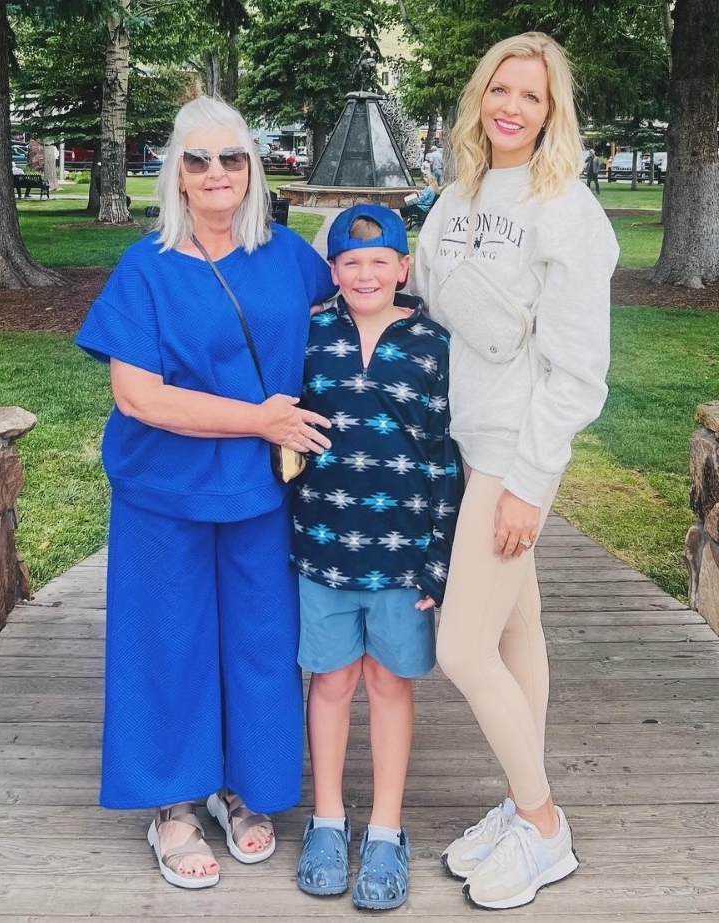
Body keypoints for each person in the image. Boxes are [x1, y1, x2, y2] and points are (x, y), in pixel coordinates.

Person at [73, 95, 336, 891]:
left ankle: (243, 789)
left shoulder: (290, 257)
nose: (216, 172)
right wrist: (259, 419)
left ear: (252, 169)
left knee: (260, 644)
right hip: (167, 490)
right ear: (176, 176)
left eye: (231, 157)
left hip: (262, 494)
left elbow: (359, 315)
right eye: (198, 159)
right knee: (169, 645)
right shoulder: (145, 268)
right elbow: (140, 398)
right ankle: (174, 805)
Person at [412, 32, 618, 910]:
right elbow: (425, 287)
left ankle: (542, 825)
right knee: (515, 629)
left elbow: (577, 373)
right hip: (469, 440)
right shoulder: (457, 192)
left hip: (513, 453)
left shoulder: (568, 210)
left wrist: (531, 483)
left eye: (531, 97)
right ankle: (517, 800)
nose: (511, 107)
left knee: (460, 645)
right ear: (480, 97)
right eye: (501, 89)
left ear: (552, 111)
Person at [292, 204, 462, 911]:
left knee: (390, 685)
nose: (365, 274)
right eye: (349, 263)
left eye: (378, 261)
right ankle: (328, 820)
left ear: (402, 267)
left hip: (403, 554)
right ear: (333, 272)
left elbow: (449, 454)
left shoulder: (434, 345)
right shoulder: (308, 338)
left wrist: (439, 560)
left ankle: (387, 829)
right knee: (329, 683)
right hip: (323, 549)